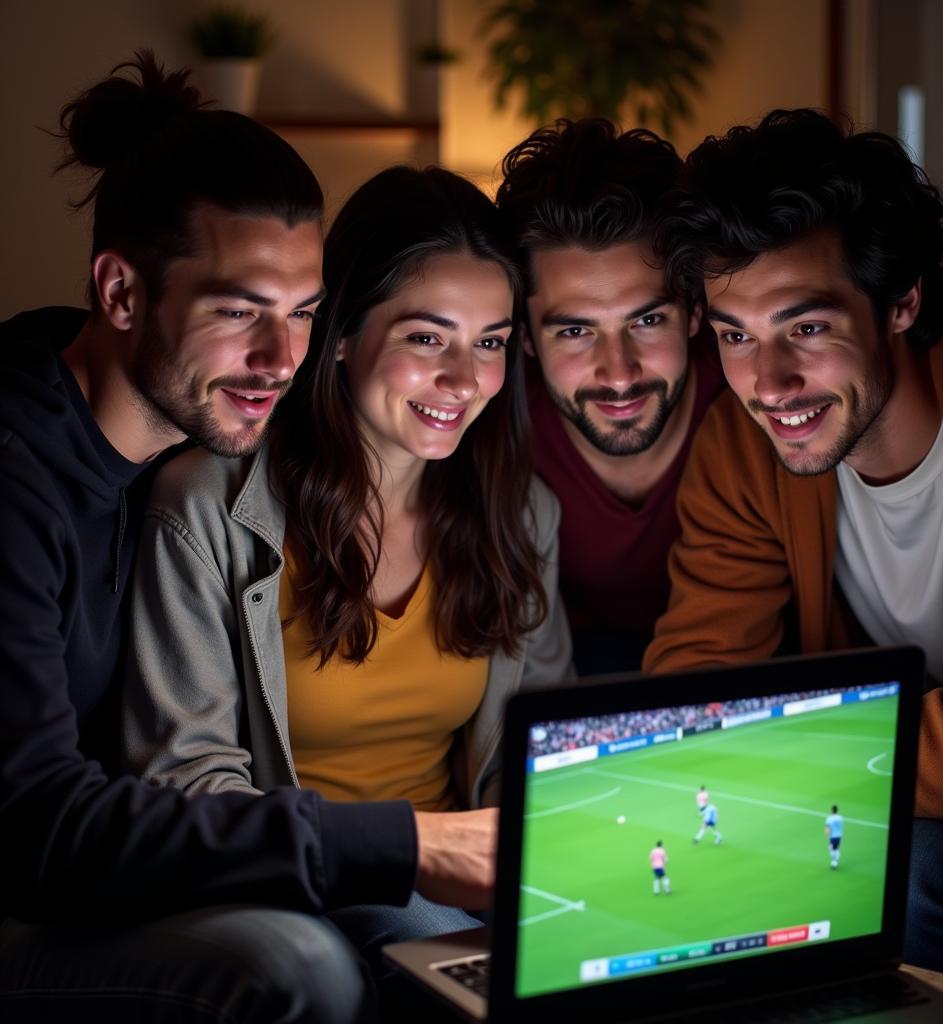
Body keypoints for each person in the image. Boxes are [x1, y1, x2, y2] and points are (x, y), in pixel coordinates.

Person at [0, 53, 490, 1024]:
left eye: (303, 315)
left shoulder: (184, 447)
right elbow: (37, 827)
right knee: (298, 963)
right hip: (26, 902)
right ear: (123, 294)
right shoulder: (19, 477)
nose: (280, 360)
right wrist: (405, 843)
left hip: (138, 885)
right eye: (238, 312)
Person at [122, 165, 573, 983]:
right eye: (426, 337)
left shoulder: (522, 514)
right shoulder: (205, 508)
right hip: (294, 889)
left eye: (492, 342)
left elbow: (534, 755)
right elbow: (187, 783)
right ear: (340, 336)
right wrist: (412, 863)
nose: (464, 379)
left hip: (470, 893)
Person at [645, 108, 943, 989]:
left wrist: (766, 757)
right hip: (913, 779)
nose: (767, 384)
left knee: (916, 863)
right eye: (736, 335)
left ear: (902, 301)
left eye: (806, 328)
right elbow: (694, 692)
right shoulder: (742, 448)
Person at [495, 119, 723, 675]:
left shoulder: (756, 397)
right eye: (574, 331)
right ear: (524, 335)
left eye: (647, 320)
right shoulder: (490, 423)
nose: (619, 374)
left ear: (695, 312)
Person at [825, 805, 843, 870]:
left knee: (830, 849)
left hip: (833, 836)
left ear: (832, 810)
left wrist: (826, 833)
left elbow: (827, 827)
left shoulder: (829, 818)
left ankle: (834, 862)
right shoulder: (840, 817)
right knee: (836, 848)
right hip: (839, 836)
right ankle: (836, 860)